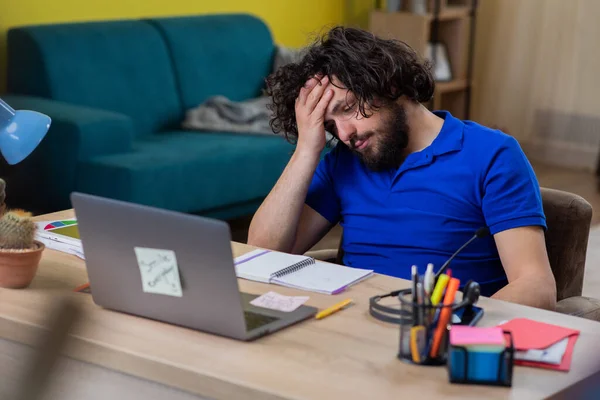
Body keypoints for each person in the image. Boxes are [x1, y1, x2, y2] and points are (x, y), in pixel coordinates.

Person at [247, 26, 556, 310]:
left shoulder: (492, 154)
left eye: (348, 108)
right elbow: (260, 254)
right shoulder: (344, 160)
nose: (343, 134)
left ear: (389, 82)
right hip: (349, 333)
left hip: (438, 339)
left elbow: (535, 287)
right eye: (329, 125)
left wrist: (449, 322)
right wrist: (306, 149)